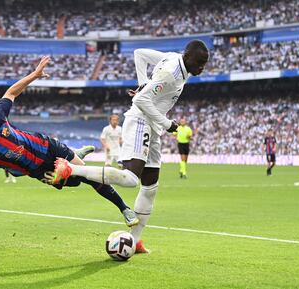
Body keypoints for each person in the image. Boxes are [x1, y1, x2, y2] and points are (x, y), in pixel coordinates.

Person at [0, 56, 138, 228]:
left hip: (49, 147)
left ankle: (124, 209)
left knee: (89, 177)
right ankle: (76, 154)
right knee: (75, 182)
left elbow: (11, 92)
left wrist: (35, 75)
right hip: (38, 171)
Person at [53, 40, 209, 253]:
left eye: (204, 64)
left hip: (152, 125)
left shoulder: (175, 59)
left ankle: (135, 240)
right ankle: (71, 169)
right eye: (199, 63)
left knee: (150, 187)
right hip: (141, 120)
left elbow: (140, 53)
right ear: (188, 57)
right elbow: (141, 101)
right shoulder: (171, 74)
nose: (202, 68)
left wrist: (144, 82)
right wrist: (167, 123)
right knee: (130, 178)